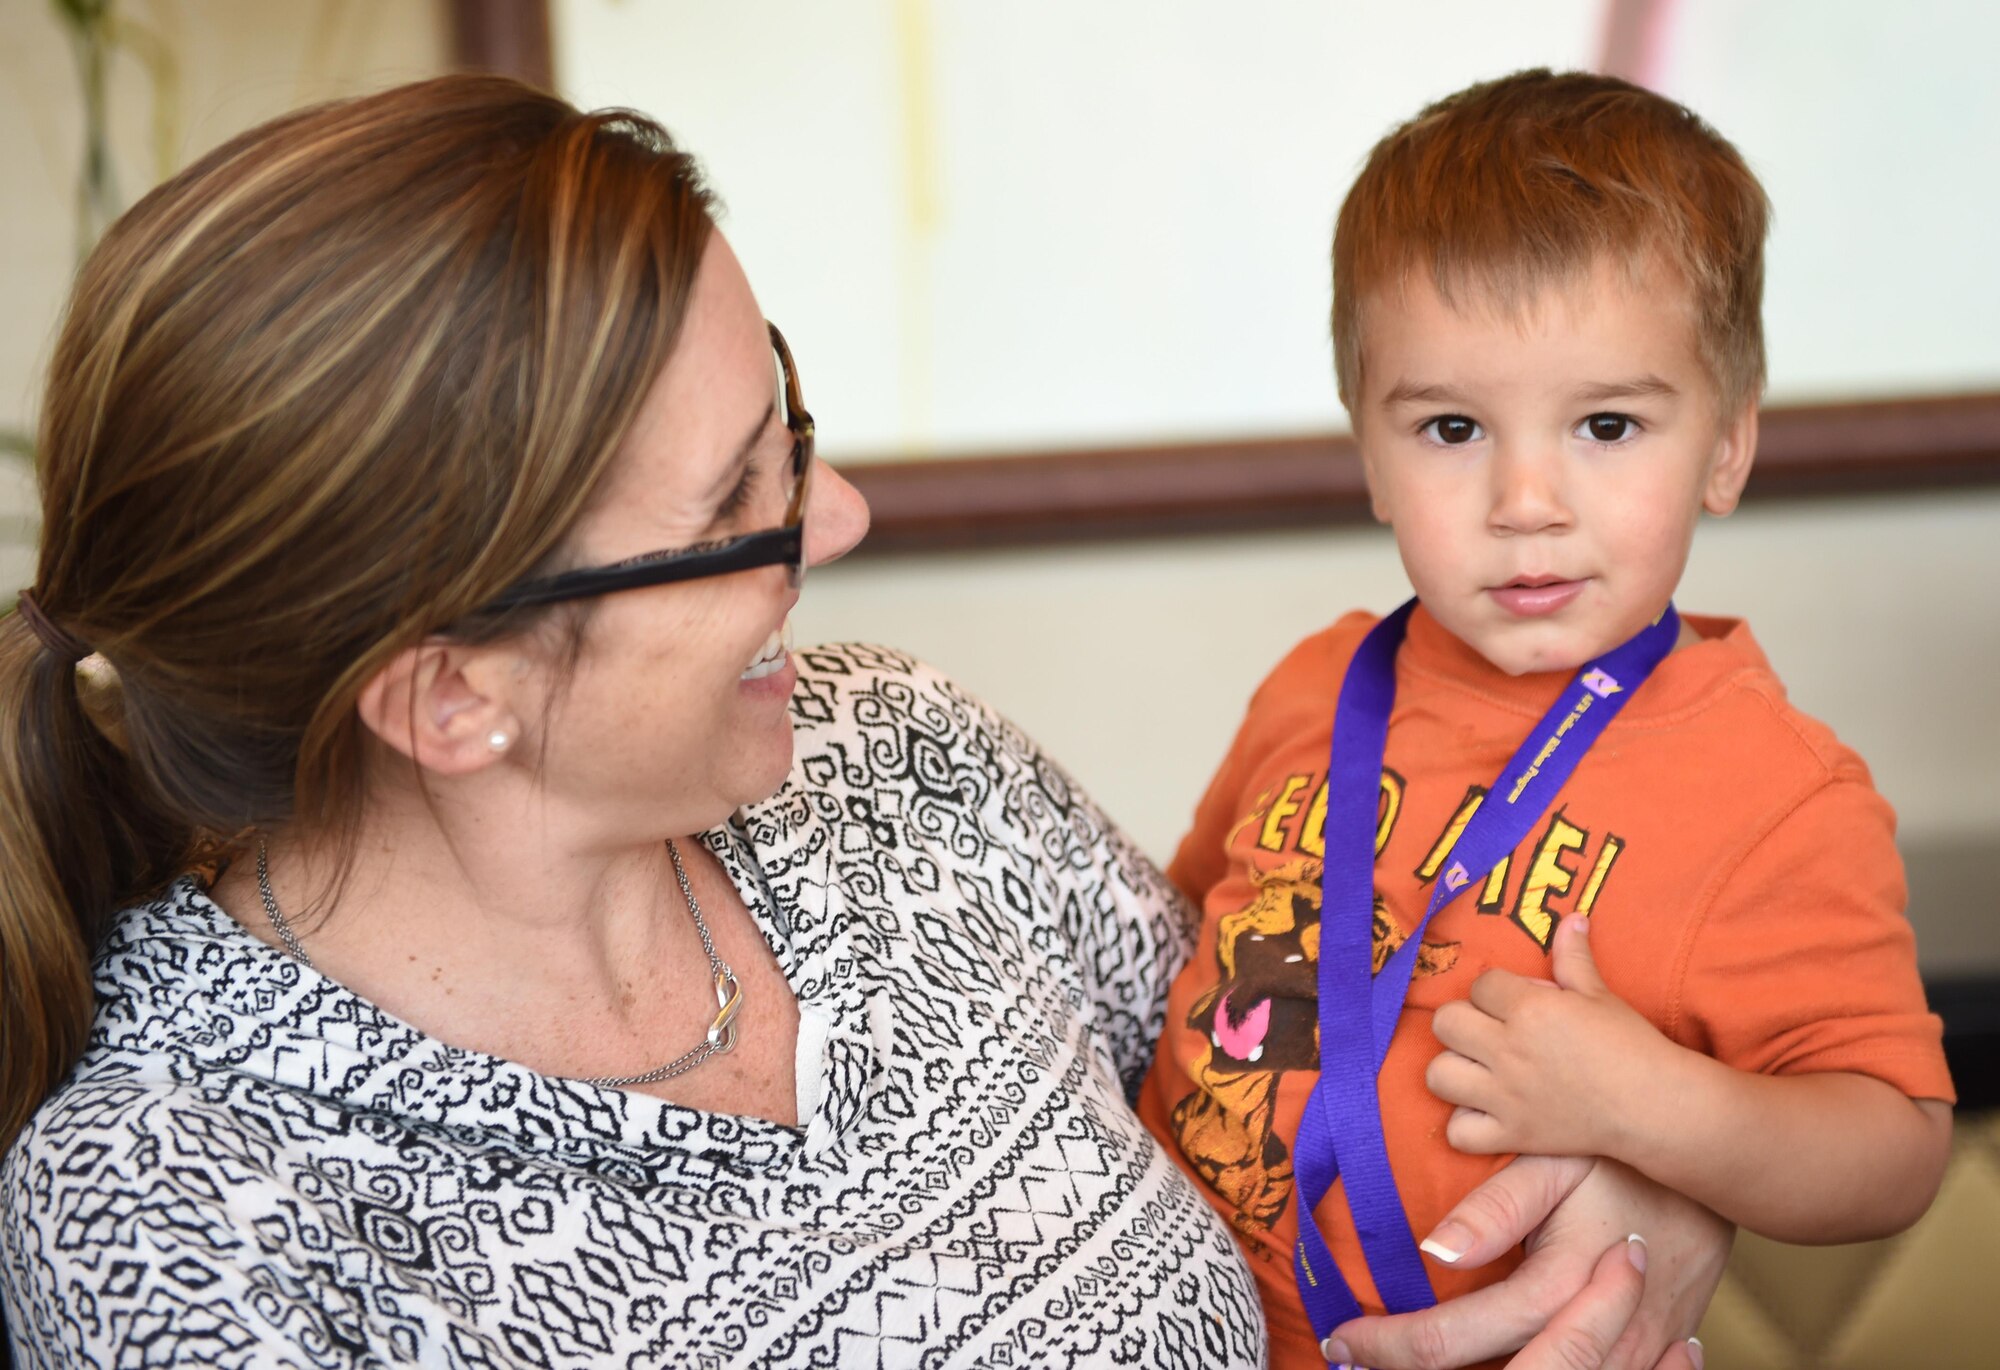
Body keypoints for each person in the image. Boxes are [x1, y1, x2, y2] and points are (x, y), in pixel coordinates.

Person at [1, 76, 1724, 1368]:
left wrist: (1641, 1196)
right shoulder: (180, 1215)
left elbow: (1283, 1085)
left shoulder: (900, 758)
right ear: (455, 694)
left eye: (793, 422)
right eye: (745, 506)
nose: (841, 525)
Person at [1138, 68, 1956, 1370]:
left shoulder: (1778, 791)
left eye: (1607, 424)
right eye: (1453, 426)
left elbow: (1896, 1145)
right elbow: (1180, 952)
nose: (1527, 499)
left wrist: (1658, 1108)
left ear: (1730, 446)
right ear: (1367, 448)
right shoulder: (1317, 682)